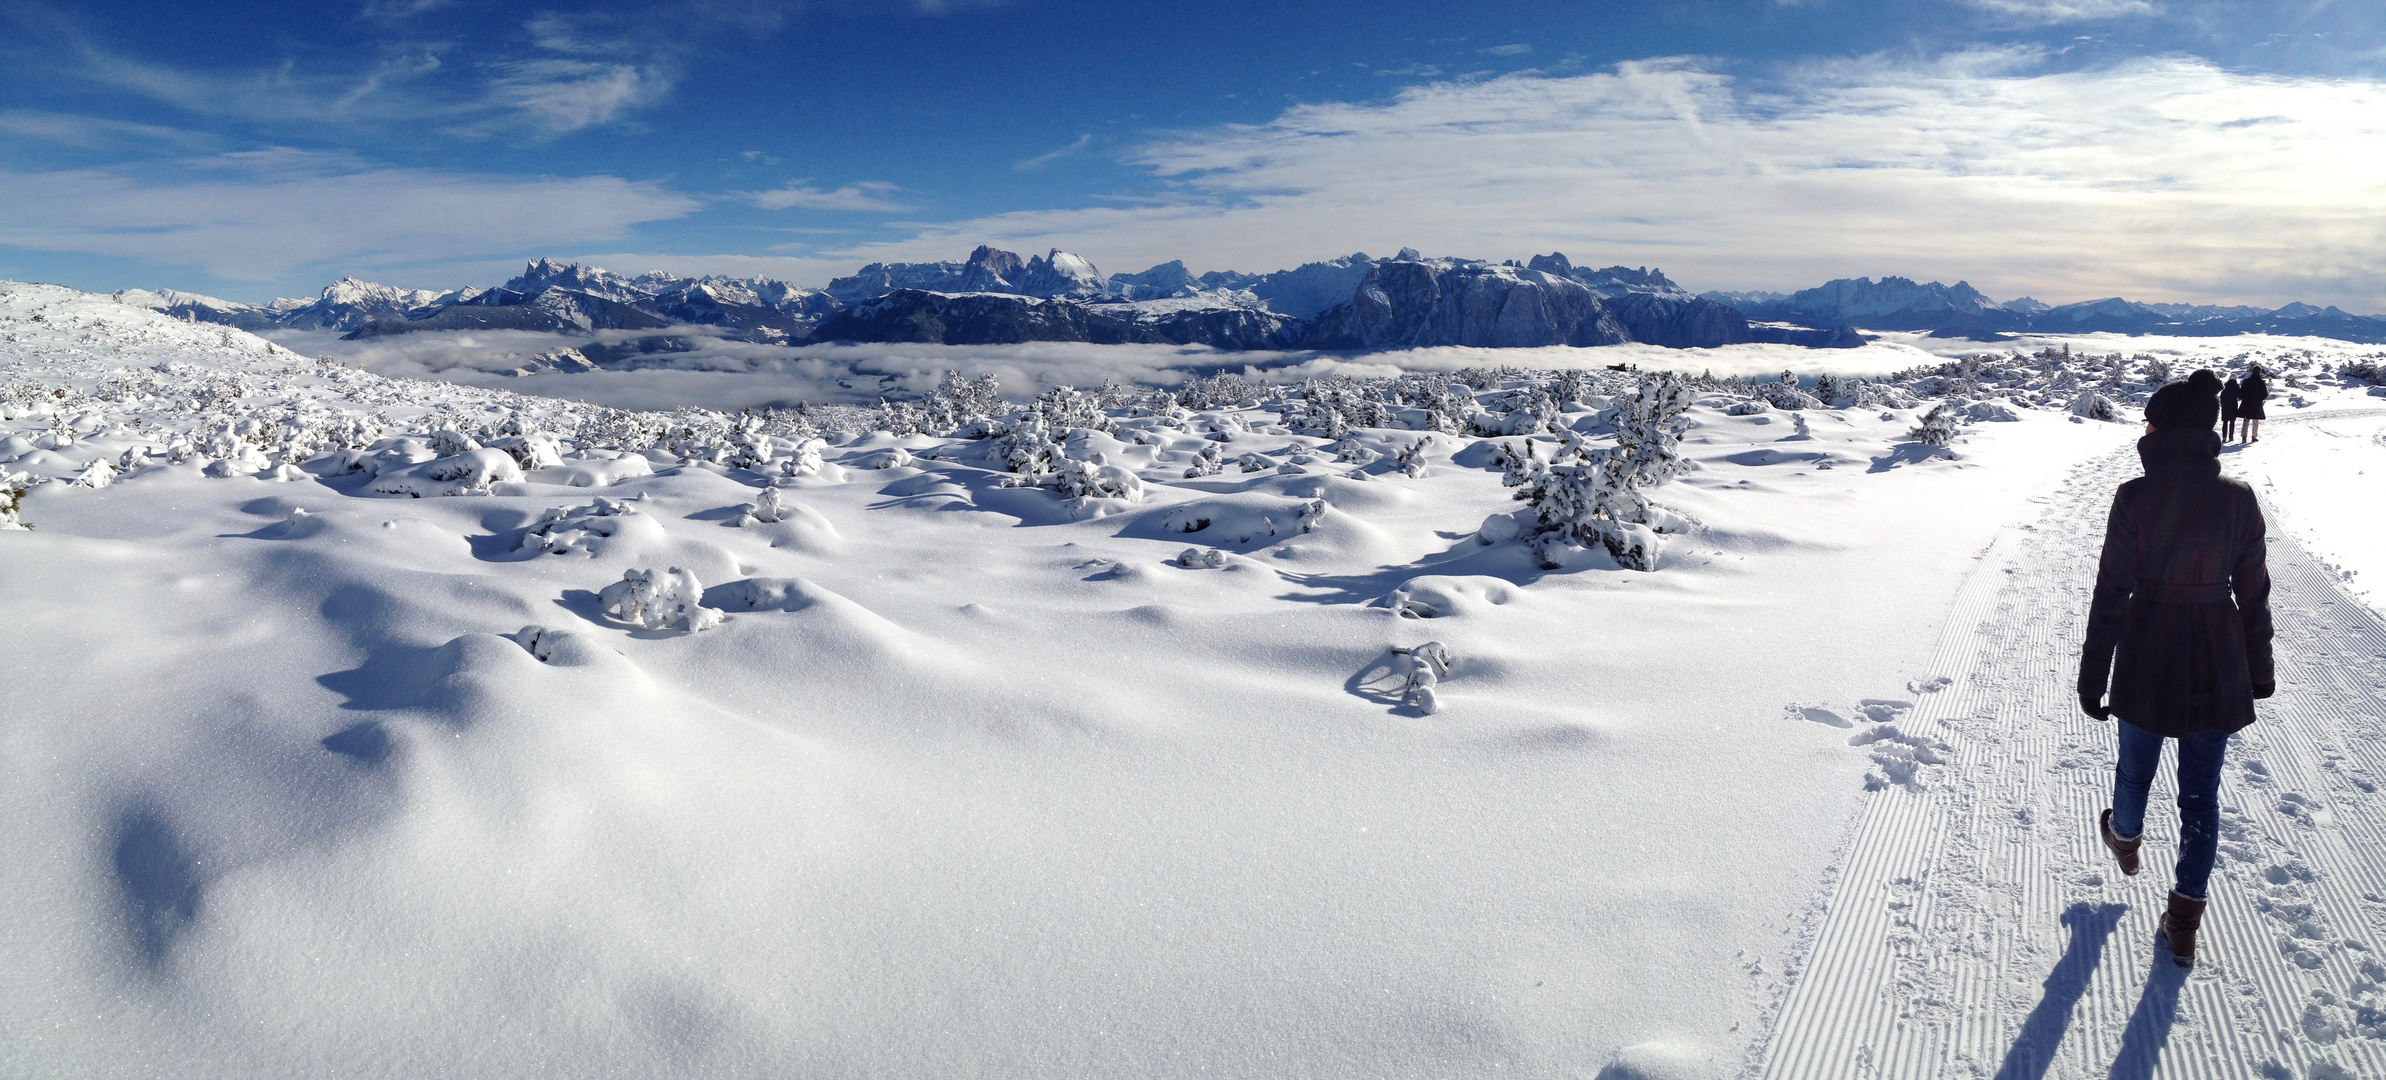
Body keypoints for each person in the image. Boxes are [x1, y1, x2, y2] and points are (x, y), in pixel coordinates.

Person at [2080, 368, 2274, 969]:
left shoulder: (2134, 497)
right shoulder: (2238, 498)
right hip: (2217, 654)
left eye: (2148, 420)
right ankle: (2184, 920)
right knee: (2201, 799)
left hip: (2146, 651)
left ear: (2161, 431)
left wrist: (2094, 676)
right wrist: (2258, 668)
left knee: (2134, 772)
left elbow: (2112, 590)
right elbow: (2254, 592)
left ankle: (2127, 838)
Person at [2238, 363, 2269, 443]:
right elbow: (2264, 394)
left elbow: (2241, 392)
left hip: (2247, 402)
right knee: (2255, 421)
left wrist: (2245, 398)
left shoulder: (2246, 381)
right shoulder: (2261, 382)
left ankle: (2244, 436)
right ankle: (2254, 436)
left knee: (2246, 420)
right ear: (2259, 372)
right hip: (2256, 403)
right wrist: (2259, 399)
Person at [2219, 375, 2242, 442]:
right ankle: (2231, 437)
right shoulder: (2236, 387)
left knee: (2225, 422)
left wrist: (2222, 404)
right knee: (2232, 422)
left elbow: (2221, 397)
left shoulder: (2225, 387)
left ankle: (2224, 437)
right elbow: (2240, 396)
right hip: (2233, 406)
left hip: (2225, 406)